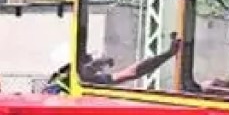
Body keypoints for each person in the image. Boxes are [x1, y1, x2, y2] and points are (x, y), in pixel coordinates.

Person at [42, 35, 181, 95]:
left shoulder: (87, 82)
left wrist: (168, 54)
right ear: (69, 69)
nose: (91, 61)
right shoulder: (55, 94)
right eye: (86, 59)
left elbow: (133, 73)